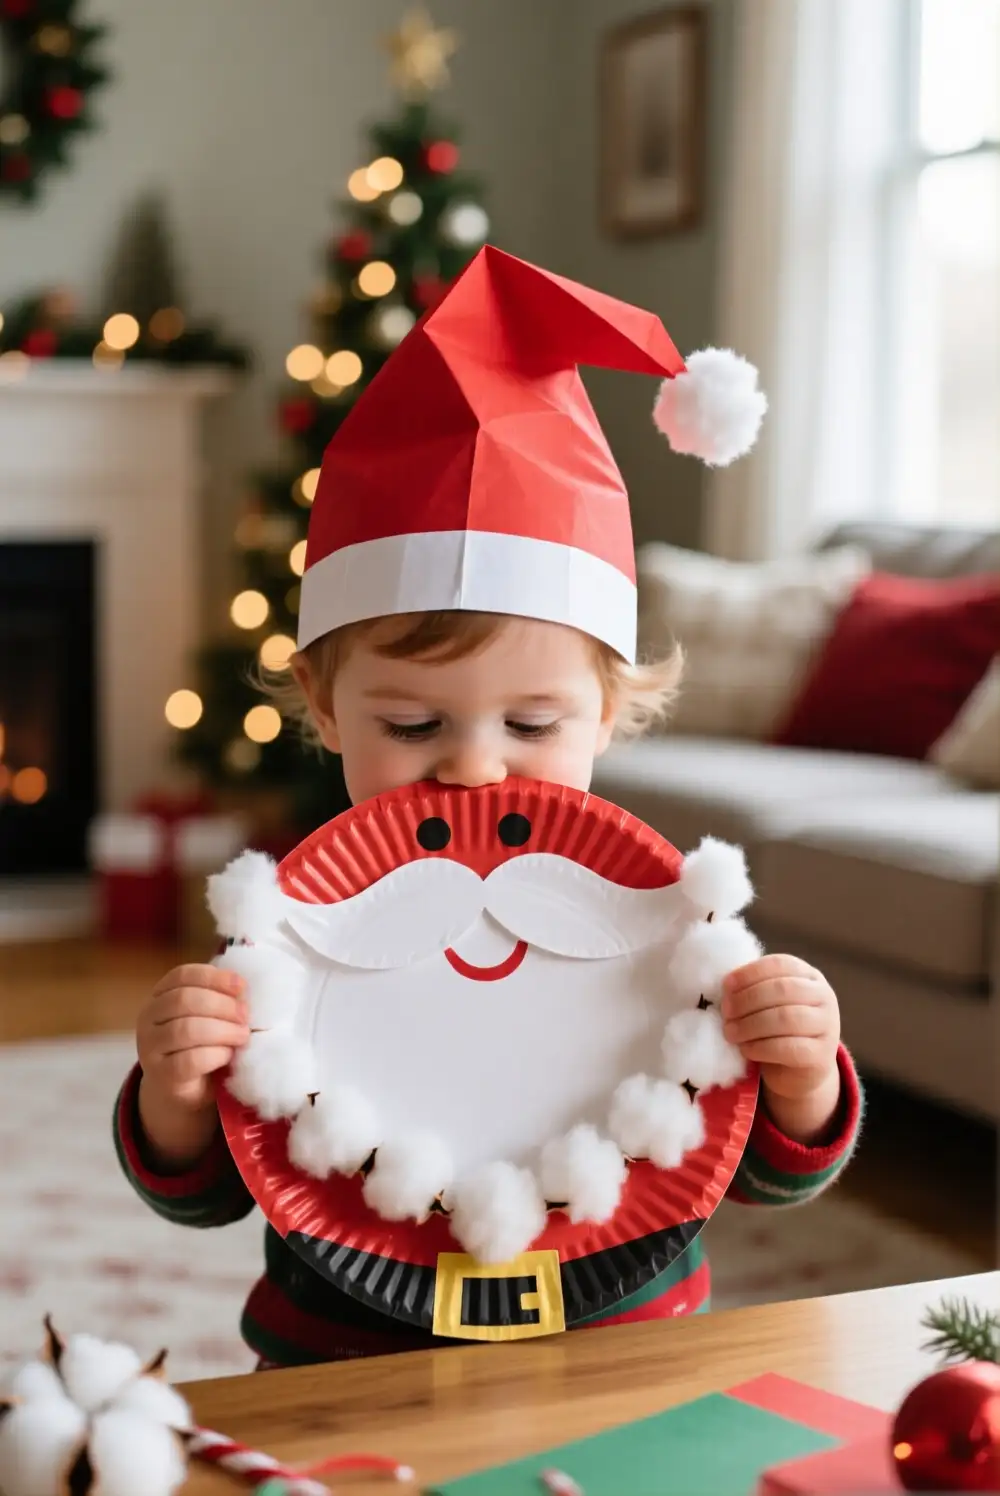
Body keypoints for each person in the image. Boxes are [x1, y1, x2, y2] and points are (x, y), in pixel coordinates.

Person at [114, 247, 862, 1369]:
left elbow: (753, 1163)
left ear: (608, 709)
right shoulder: (295, 931)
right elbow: (215, 1183)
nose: (473, 769)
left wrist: (801, 1073)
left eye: (531, 724)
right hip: (340, 1363)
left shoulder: (665, 921)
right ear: (321, 704)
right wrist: (177, 1088)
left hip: (624, 1353)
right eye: (414, 726)